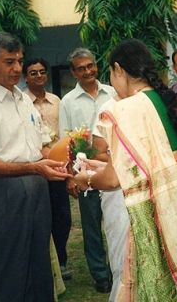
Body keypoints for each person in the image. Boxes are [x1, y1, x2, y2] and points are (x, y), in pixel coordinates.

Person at [73, 38, 177, 300]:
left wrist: (86, 180)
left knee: (157, 287)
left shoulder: (125, 109)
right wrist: (102, 165)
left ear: (118, 69)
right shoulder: (165, 97)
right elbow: (152, 159)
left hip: (169, 207)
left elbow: (114, 179)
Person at [0, 31, 70, 302]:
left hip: (38, 188)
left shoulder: (23, 100)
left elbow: (38, 149)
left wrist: (64, 162)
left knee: (39, 262)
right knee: (8, 266)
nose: (18, 68)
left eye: (19, 60)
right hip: (3, 192)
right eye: (9, 61)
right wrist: (35, 168)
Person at [59, 47, 115, 293]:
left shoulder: (113, 94)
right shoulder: (67, 102)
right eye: (81, 68)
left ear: (96, 65)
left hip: (114, 168)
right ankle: (100, 274)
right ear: (73, 73)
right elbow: (65, 141)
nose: (87, 71)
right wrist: (71, 176)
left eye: (90, 65)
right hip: (86, 172)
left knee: (116, 222)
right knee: (91, 225)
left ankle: (118, 269)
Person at [23, 58, 72, 282]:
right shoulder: (22, 102)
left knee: (62, 218)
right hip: (34, 169)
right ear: (26, 77)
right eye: (33, 73)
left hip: (58, 168)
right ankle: (42, 266)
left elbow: (63, 134)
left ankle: (60, 262)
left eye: (42, 72)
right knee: (40, 218)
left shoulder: (56, 100)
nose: (39, 76)